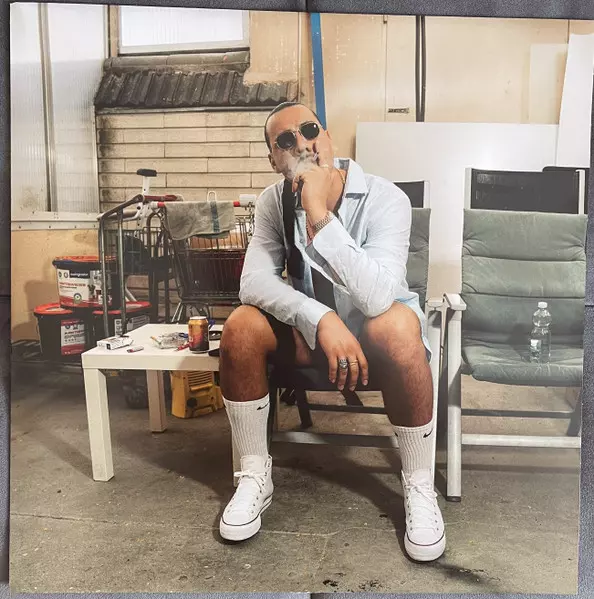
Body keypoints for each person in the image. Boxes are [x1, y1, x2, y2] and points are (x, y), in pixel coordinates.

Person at [217, 101, 445, 562]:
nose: (301, 144)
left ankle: (419, 485)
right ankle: (253, 476)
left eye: (309, 130)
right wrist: (320, 318)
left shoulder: (386, 198)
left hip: (375, 339)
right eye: (285, 141)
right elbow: (252, 282)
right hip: (315, 336)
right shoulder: (272, 201)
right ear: (274, 160)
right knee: (240, 326)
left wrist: (319, 214)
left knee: (398, 324)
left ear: (328, 137)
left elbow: (379, 296)